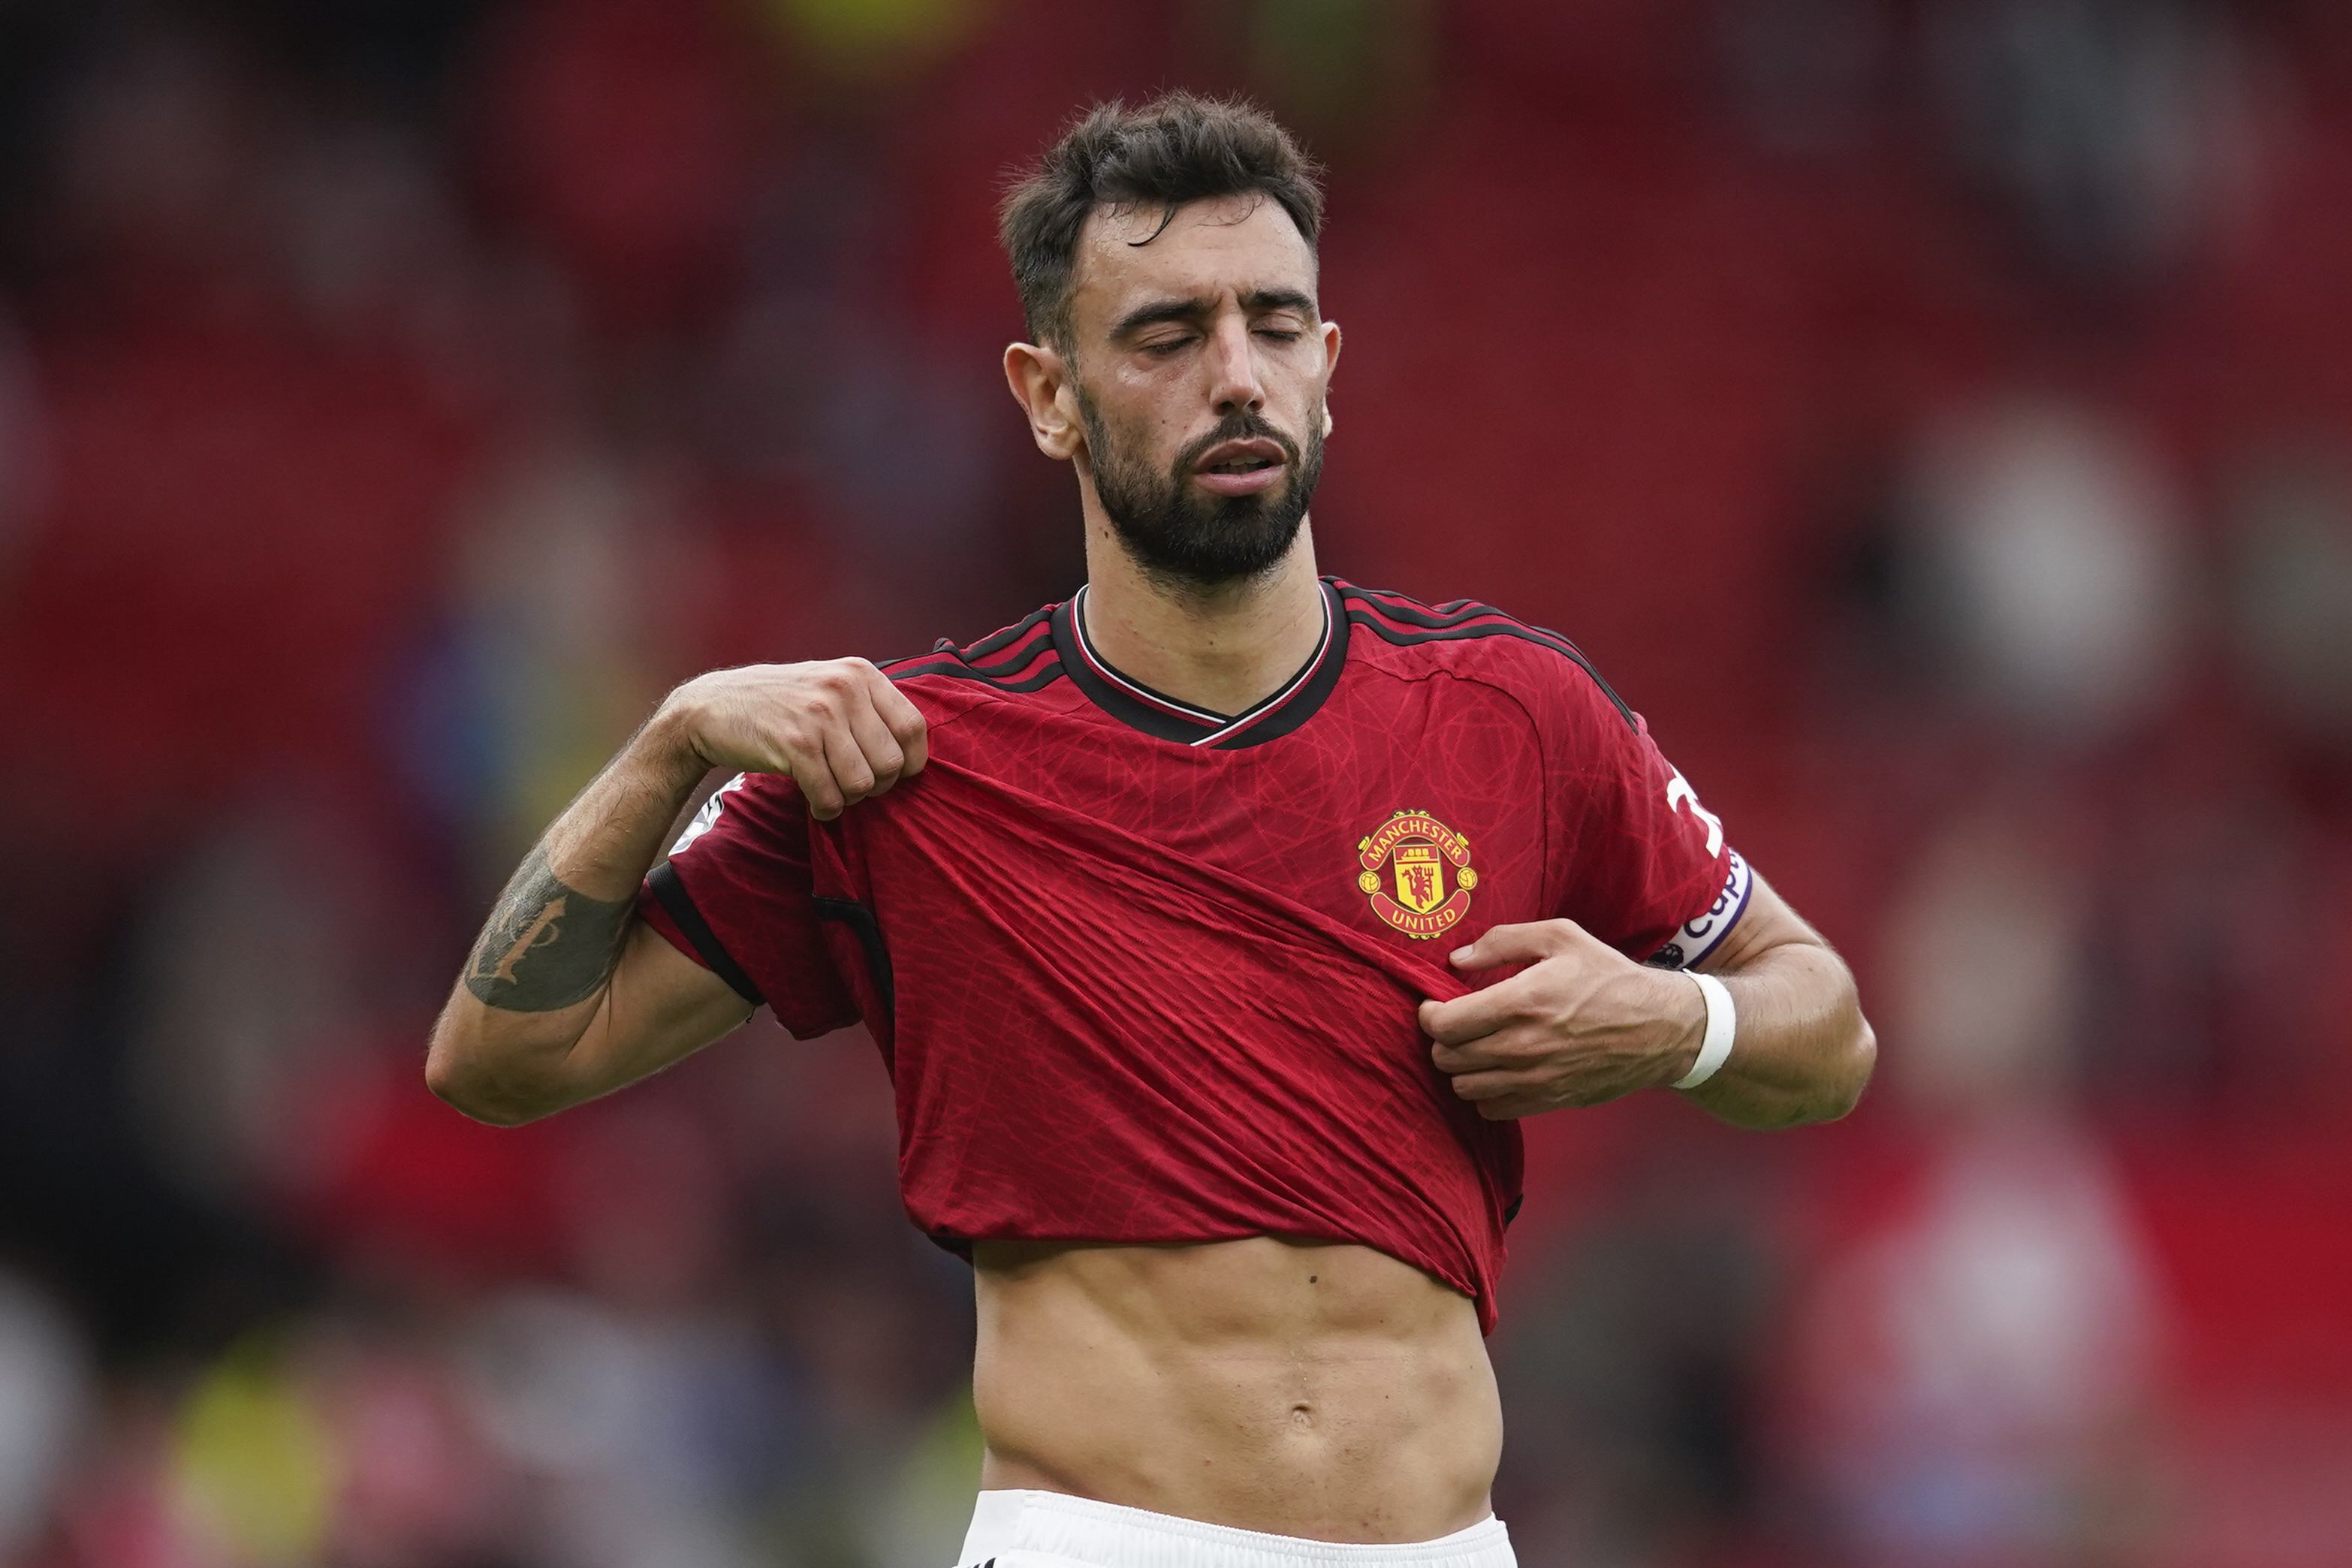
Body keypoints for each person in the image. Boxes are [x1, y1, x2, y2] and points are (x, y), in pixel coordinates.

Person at [426, 94, 1875, 1568]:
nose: (1235, 376)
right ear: (1048, 394)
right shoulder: (909, 757)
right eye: (1168, 337)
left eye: (1273, 324)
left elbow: (1826, 1035)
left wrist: (1671, 1023)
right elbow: (502, 1060)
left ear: (1327, 368)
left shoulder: (1514, 710)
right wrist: (671, 743)